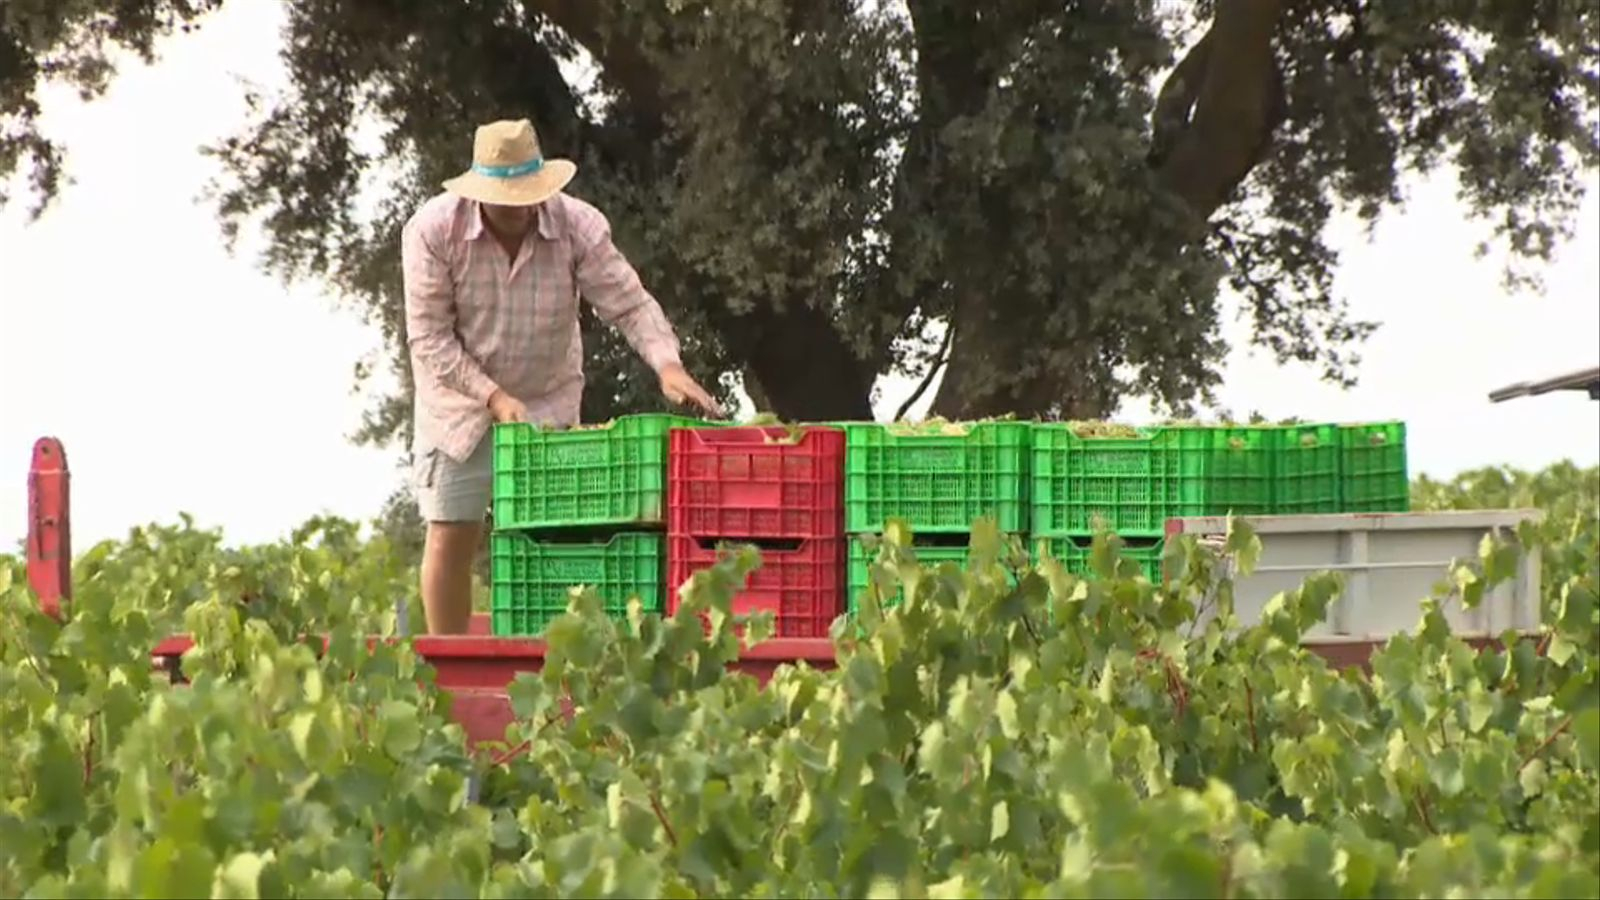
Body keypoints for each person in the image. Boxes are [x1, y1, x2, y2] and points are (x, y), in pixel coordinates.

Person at [401, 118, 722, 635]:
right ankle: (450, 666)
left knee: (555, 543)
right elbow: (430, 339)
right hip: (457, 406)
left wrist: (667, 363)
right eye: (502, 195)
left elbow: (629, 303)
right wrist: (493, 397)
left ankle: (555, 658)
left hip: (547, 399)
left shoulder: (579, 226)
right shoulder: (433, 231)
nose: (514, 206)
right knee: (450, 534)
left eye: (524, 194)